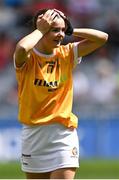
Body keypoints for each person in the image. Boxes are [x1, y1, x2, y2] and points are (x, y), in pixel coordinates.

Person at [14, 8, 108, 179]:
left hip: (63, 135)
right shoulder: (28, 58)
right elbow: (21, 48)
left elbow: (102, 38)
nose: (60, 35)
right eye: (55, 30)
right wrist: (40, 29)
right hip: (33, 136)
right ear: (41, 29)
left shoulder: (67, 53)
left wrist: (72, 30)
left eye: (63, 30)